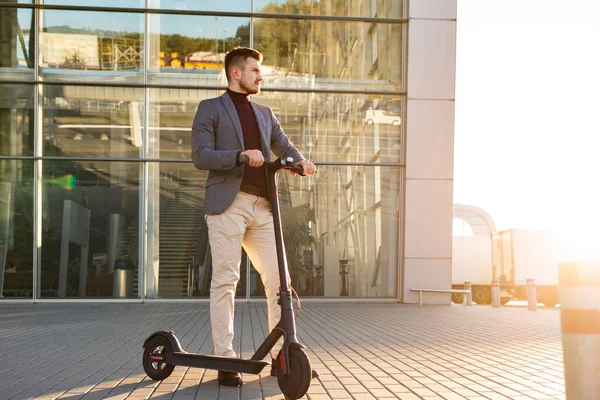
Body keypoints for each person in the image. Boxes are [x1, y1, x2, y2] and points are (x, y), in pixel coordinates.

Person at [191, 47, 318, 387]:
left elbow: (285, 147)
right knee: (226, 280)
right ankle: (225, 358)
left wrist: (300, 161)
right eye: (255, 70)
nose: (261, 76)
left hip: (263, 206)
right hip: (227, 205)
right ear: (236, 73)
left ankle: (283, 356)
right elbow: (201, 156)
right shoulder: (210, 109)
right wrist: (239, 155)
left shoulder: (264, 113)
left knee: (281, 284)